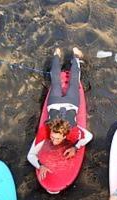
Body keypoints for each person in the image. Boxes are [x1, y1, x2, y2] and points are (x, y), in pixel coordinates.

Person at [27, 47, 93, 179]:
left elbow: (89, 136)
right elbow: (30, 155)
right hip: (61, 102)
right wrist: (41, 165)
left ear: (64, 136)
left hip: (66, 102)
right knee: (56, 81)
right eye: (53, 137)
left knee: (74, 81)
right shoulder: (45, 130)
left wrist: (75, 147)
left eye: (57, 138)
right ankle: (60, 56)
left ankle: (70, 56)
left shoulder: (73, 130)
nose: (53, 140)